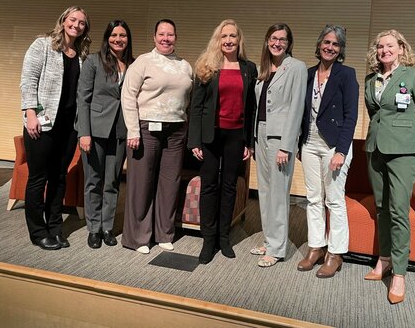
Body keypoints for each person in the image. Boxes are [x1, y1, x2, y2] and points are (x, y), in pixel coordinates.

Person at [363, 29, 415, 304]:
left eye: (390, 46)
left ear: (401, 48)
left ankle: (400, 273)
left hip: (404, 154)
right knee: (381, 208)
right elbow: (375, 113)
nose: (385, 51)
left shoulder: (414, 76)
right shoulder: (371, 79)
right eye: (380, 47)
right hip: (375, 150)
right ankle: (384, 261)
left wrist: (414, 144)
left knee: (398, 211)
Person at [20, 6, 91, 250]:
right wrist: (30, 114)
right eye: (73, 20)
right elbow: (28, 80)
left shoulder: (81, 54)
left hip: (68, 126)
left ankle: (55, 226)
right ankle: (38, 231)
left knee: (59, 178)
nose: (77, 25)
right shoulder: (42, 45)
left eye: (82, 22)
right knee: (38, 178)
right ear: (63, 21)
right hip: (42, 123)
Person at [188, 19, 258, 264]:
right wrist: (194, 140)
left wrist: (249, 142)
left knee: (229, 186)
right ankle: (208, 240)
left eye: (233, 36)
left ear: (239, 40)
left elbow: (252, 109)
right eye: (224, 36)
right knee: (209, 186)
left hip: (236, 135)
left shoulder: (249, 68)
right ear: (218, 40)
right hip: (210, 136)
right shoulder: (207, 66)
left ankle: (223, 237)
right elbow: (195, 107)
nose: (228, 40)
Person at [121, 19, 193, 254]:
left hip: (176, 130)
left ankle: (164, 233)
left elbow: (189, 101)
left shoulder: (185, 66)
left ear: (176, 37)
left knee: (169, 184)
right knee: (141, 183)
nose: (166, 38)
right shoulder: (143, 62)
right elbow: (128, 96)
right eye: (161, 34)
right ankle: (139, 238)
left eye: (170, 35)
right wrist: (132, 130)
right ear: (154, 37)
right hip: (146, 129)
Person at [297, 25, 359, 278]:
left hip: (334, 146)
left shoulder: (346, 74)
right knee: (313, 198)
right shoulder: (309, 74)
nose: (330, 47)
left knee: (334, 200)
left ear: (341, 49)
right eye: (326, 42)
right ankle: (316, 248)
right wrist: (299, 142)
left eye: (335, 44)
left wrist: (341, 152)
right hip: (310, 144)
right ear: (319, 44)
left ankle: (335, 253)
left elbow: (350, 116)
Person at [251, 23, 307, 267]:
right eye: (273, 38)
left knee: (278, 193)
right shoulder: (263, 68)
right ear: (267, 41)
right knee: (264, 191)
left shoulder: (297, 68)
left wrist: (287, 145)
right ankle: (269, 239)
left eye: (282, 39)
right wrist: (253, 139)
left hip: (280, 139)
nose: (277, 43)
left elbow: (296, 108)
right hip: (261, 134)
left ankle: (277, 248)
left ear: (289, 43)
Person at [76, 20, 134, 249]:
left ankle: (107, 226)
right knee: (93, 181)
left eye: (123, 35)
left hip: (120, 130)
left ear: (128, 39)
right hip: (95, 129)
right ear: (107, 37)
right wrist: (84, 133)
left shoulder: (133, 63)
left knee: (112, 181)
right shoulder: (93, 61)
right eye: (114, 35)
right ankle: (93, 229)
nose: (118, 39)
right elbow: (83, 98)